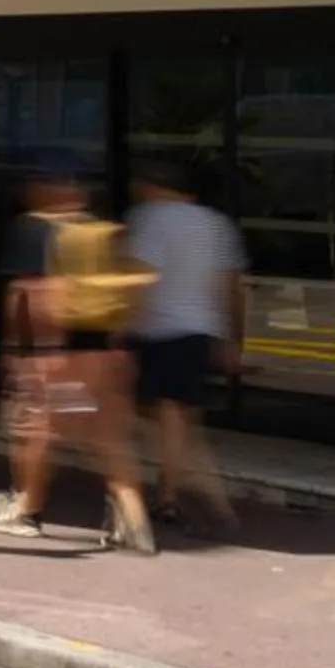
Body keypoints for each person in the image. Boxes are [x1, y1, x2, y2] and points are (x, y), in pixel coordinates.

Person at [0, 167, 155, 554]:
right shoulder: (99, 231)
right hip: (105, 352)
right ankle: (134, 518)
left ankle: (26, 510)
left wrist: (21, 353)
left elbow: (26, 294)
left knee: (36, 432)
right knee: (111, 440)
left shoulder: (31, 230)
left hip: (54, 353)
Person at [128, 160, 248, 533]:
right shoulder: (216, 224)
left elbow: (138, 276)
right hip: (198, 331)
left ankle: (174, 493)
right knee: (177, 415)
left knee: (157, 413)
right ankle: (180, 488)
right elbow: (233, 287)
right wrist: (232, 339)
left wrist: (120, 324)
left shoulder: (150, 218)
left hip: (157, 330)